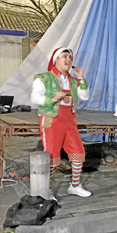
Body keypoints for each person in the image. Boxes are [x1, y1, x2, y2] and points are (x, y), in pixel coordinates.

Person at [31, 47, 91, 197]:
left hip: (69, 120)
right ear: (55, 59)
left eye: (70, 57)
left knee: (78, 151)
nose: (68, 59)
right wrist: (51, 98)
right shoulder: (44, 78)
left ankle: (75, 185)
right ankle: (46, 190)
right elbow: (34, 98)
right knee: (51, 155)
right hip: (51, 120)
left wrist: (81, 78)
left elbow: (85, 97)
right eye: (64, 56)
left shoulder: (73, 81)